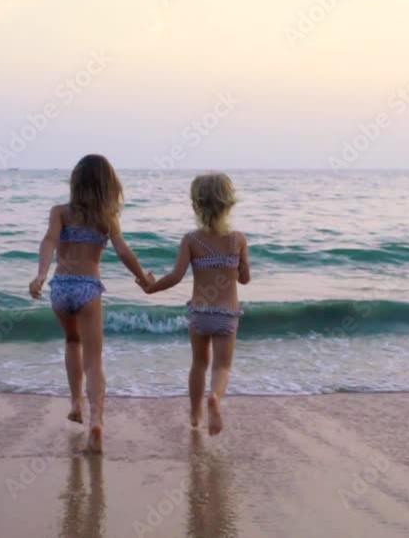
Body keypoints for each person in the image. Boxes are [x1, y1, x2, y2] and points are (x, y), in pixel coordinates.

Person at [29, 154, 155, 453]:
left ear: (75, 183)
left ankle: (76, 404)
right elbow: (124, 251)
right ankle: (97, 420)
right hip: (88, 288)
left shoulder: (60, 212)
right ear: (108, 186)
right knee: (94, 359)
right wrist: (143, 279)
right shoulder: (107, 218)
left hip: (60, 289)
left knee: (73, 342)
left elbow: (48, 241)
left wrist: (41, 275)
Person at [139, 173, 250, 435]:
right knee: (222, 366)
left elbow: (176, 277)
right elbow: (245, 279)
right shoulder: (238, 240)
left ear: (196, 205)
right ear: (229, 204)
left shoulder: (191, 240)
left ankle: (195, 413)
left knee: (199, 363)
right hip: (227, 314)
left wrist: (151, 287)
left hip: (200, 313)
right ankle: (215, 399)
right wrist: (237, 265)